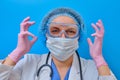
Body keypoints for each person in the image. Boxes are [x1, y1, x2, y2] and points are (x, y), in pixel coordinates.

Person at [0, 7, 117, 80]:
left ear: (79, 36)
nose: (62, 37)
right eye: (55, 30)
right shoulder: (29, 62)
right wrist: (17, 53)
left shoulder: (93, 68)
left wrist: (99, 58)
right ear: (45, 34)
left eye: (70, 31)